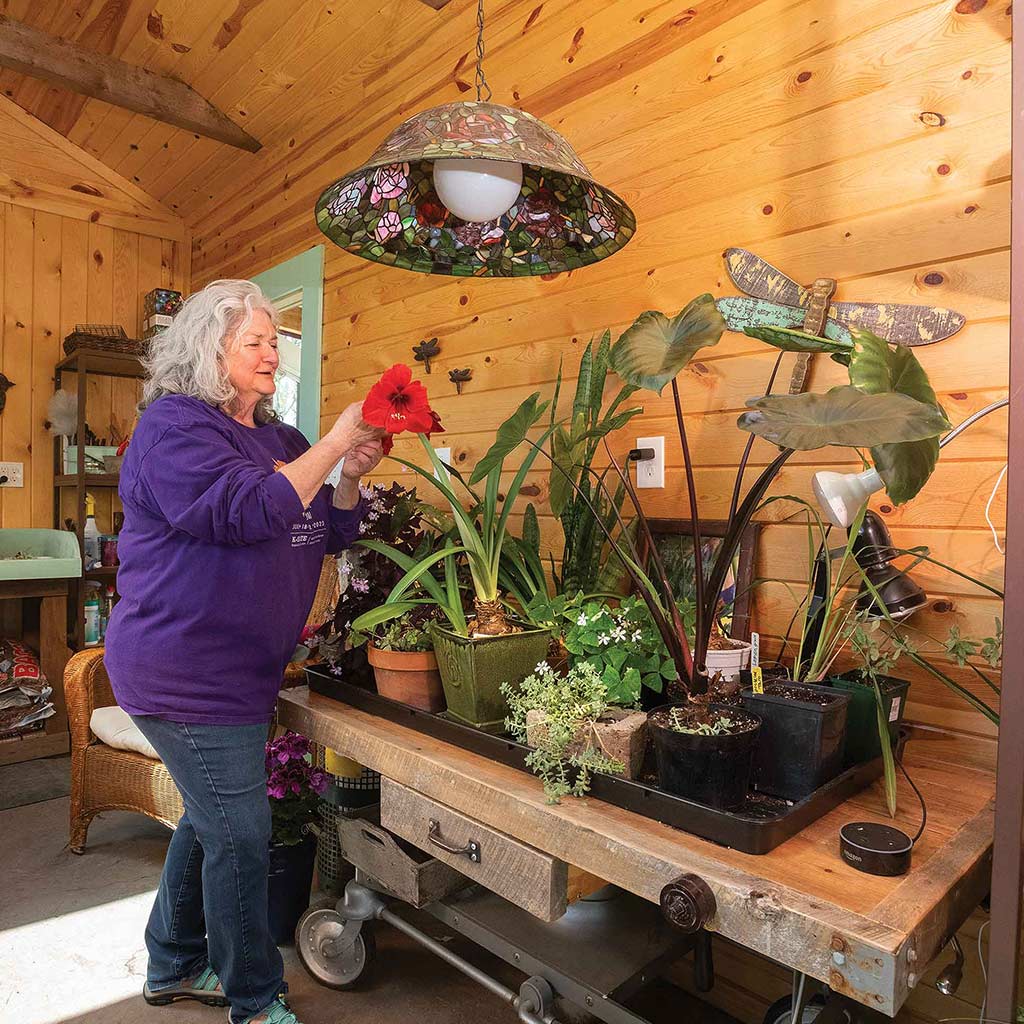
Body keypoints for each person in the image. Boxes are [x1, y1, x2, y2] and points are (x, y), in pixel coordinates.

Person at [104, 279, 384, 1024]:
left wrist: (348, 476)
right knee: (241, 835)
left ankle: (171, 965)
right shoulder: (173, 430)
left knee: (211, 819)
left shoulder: (280, 440)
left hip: (239, 671)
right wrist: (333, 440)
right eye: (254, 340)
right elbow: (247, 509)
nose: (270, 353)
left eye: (274, 340)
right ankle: (255, 997)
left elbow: (330, 529)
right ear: (209, 349)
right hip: (183, 669)